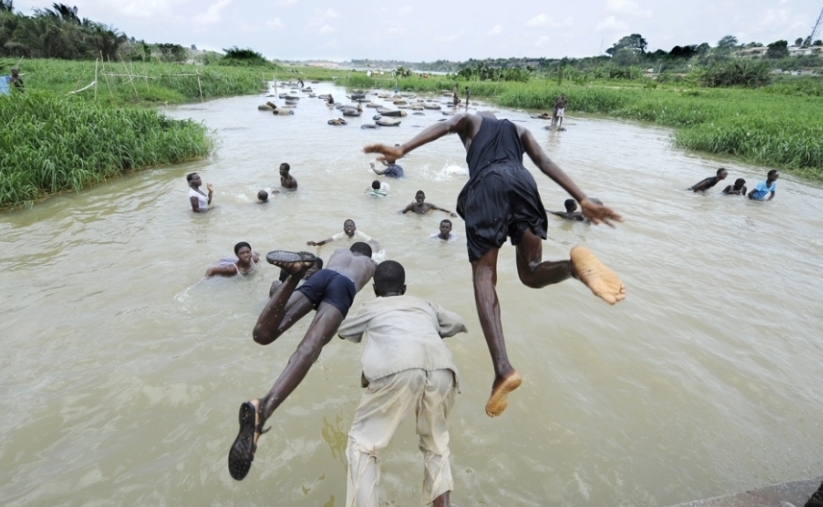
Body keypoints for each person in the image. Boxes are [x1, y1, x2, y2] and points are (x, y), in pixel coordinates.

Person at [364, 112, 625, 417]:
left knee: (485, 275)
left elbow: (445, 125)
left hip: (488, 185)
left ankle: (502, 367)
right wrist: (582, 198)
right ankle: (573, 268)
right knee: (530, 272)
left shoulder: (470, 121)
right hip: (523, 183)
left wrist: (403, 149)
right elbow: (544, 162)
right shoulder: (519, 129)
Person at [227, 244, 377, 481]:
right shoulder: (371, 265)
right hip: (344, 287)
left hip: (323, 275)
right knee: (310, 347)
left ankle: (295, 274)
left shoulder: (338, 251)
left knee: (263, 334)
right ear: (368, 255)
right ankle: (264, 408)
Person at [338, 260, 466, 507]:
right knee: (436, 444)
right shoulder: (425, 304)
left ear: (375, 289)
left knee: (363, 446)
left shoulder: (371, 307)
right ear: (405, 288)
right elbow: (456, 323)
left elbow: (343, 330)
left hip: (398, 369)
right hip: (443, 369)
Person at [308, 219, 379, 249]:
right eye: (347, 226)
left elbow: (374, 242)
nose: (349, 228)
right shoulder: (340, 235)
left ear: (355, 228)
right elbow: (327, 241)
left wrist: (377, 251)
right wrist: (316, 244)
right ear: (343, 229)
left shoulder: (360, 234)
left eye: (351, 226)